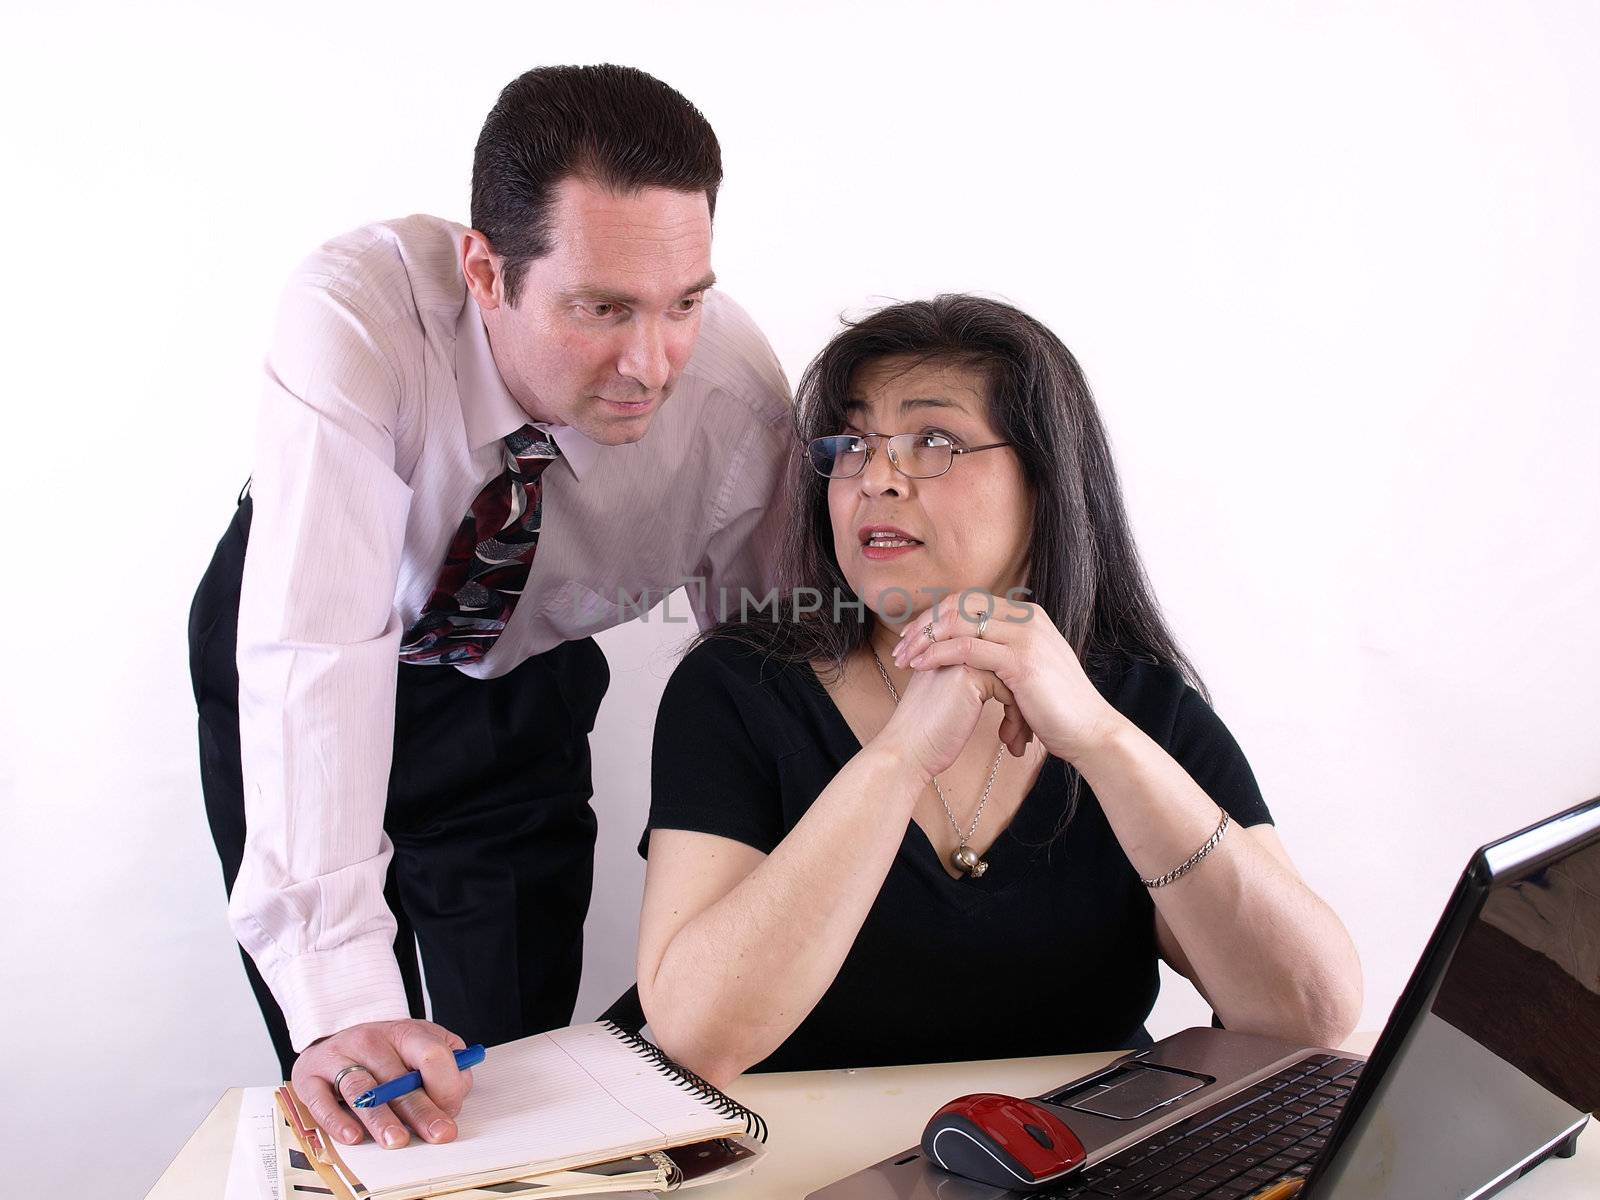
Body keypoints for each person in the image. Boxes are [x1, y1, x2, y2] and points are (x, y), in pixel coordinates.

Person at [187, 64, 792, 1149]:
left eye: (684, 303)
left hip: (519, 674)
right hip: (303, 645)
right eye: (601, 308)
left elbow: (777, 670)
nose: (649, 364)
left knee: (502, 1073)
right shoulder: (357, 314)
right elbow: (315, 652)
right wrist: (345, 1008)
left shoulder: (735, 398)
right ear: (484, 268)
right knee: (356, 1074)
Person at [635, 295, 1363, 1086]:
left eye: (933, 441)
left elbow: (1310, 1012)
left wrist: (1100, 739)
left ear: (1046, 480)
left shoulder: (1140, 708)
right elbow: (694, 1036)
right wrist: (901, 757)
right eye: (853, 443)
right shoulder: (739, 687)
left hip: (1062, 1167)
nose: (875, 478)